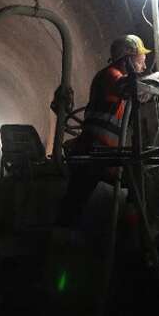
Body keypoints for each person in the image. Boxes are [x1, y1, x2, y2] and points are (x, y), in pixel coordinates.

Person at [57, 34, 150, 224]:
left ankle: (131, 237)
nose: (145, 65)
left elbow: (139, 93)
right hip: (93, 151)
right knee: (76, 200)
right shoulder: (110, 75)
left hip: (104, 153)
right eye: (142, 58)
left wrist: (151, 87)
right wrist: (157, 79)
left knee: (137, 184)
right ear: (128, 57)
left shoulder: (119, 79)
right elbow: (128, 87)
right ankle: (62, 240)